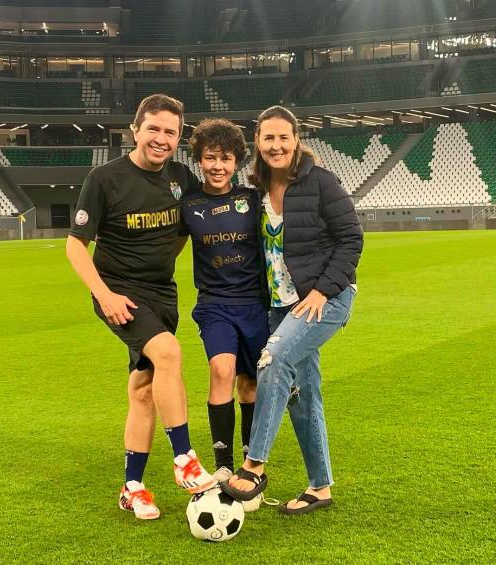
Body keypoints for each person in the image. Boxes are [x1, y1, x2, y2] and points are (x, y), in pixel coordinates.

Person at [66, 94, 215, 521]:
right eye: (153, 128)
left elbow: (186, 229)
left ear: (178, 137)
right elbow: (76, 246)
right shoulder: (105, 178)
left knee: (144, 387)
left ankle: (132, 487)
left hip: (161, 293)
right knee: (169, 353)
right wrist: (105, 295)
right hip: (120, 294)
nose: (161, 138)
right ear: (135, 130)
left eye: (170, 132)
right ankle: (184, 458)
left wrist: (166, 258)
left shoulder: (181, 178)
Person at [220, 105, 363, 515]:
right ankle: (320, 487)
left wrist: (321, 291)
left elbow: (351, 239)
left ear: (297, 140)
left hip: (325, 299)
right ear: (258, 143)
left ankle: (254, 464)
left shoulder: (320, 183)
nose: (276, 145)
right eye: (269, 138)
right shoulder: (257, 193)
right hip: (280, 305)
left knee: (273, 359)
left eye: (284, 137)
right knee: (304, 395)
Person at [178, 119, 269, 496]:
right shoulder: (188, 203)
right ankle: (222, 465)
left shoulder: (252, 199)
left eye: (226, 158)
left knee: (249, 385)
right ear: (199, 159)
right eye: (210, 157)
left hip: (255, 304)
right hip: (214, 304)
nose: (218, 166)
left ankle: (250, 463)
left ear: (237, 162)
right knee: (221, 369)